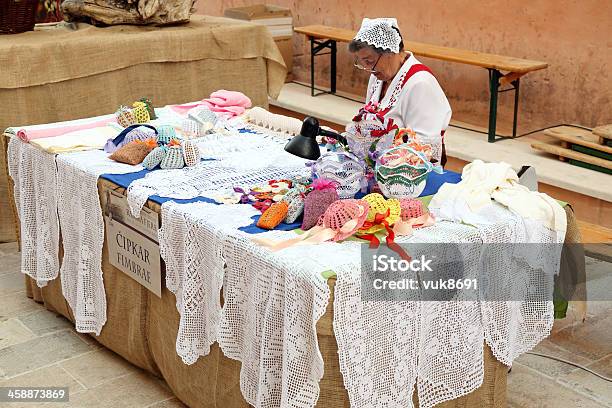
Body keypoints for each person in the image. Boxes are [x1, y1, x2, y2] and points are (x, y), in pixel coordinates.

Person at [346, 18, 452, 166]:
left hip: (411, 172)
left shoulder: (420, 83)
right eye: (361, 63)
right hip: (379, 164)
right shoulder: (377, 77)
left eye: (369, 61)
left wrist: (386, 161)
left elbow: (423, 145)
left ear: (390, 52)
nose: (368, 69)